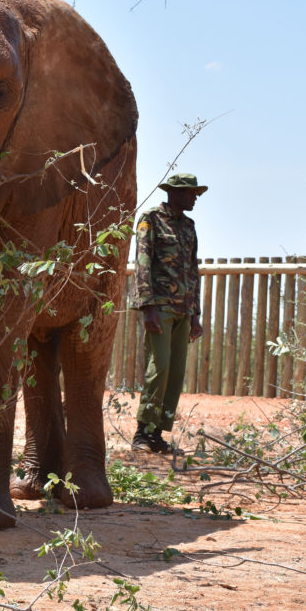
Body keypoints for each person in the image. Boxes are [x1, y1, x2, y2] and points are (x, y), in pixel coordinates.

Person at [130, 173, 206, 455]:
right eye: (190, 193)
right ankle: (142, 432)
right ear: (174, 193)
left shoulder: (189, 226)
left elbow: (193, 271)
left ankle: (157, 436)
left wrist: (195, 315)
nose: (195, 198)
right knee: (157, 369)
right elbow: (142, 263)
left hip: (183, 311)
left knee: (174, 374)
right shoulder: (150, 219)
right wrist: (146, 307)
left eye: (196, 193)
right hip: (159, 308)